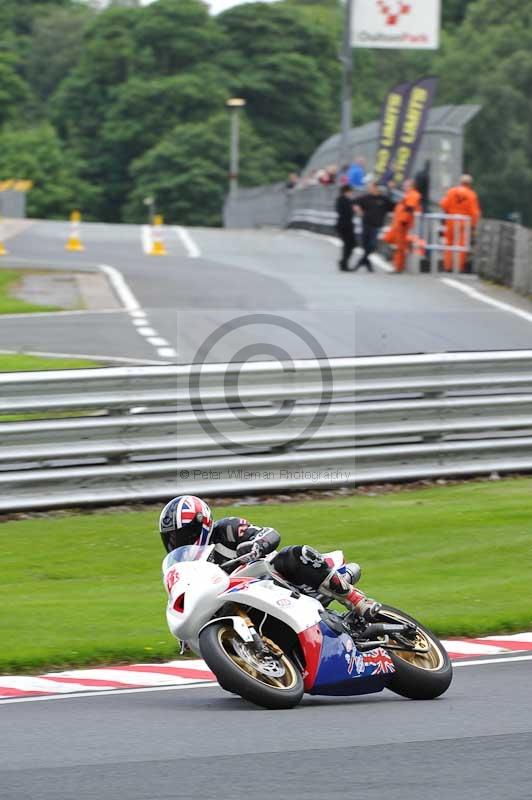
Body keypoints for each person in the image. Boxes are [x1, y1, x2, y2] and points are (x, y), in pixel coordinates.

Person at [159, 495, 381, 619]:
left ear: (202, 523)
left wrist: (256, 546)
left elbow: (270, 533)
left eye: (182, 534)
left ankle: (357, 601)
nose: (178, 543)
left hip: (278, 580)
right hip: (240, 602)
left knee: (295, 554)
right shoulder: (186, 566)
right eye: (171, 539)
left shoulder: (227, 529)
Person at [440, 174, 481, 272]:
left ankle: (448, 266)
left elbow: (443, 205)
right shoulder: (471, 195)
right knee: (461, 245)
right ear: (470, 184)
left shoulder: (452, 191)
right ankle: (458, 267)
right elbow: (474, 213)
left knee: (449, 243)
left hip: (451, 220)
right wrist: (473, 226)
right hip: (464, 222)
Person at [353, 182, 395, 272]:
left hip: (376, 225)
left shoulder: (383, 199)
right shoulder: (365, 198)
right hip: (366, 223)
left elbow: (393, 206)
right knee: (365, 244)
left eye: (370, 187)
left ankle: (362, 261)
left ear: (376, 188)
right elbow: (354, 202)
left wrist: (391, 190)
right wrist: (358, 209)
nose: (369, 189)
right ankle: (366, 262)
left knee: (372, 245)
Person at [384, 178, 422, 273]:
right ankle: (398, 263)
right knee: (390, 239)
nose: (404, 187)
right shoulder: (409, 195)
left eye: (406, 185)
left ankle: (398, 267)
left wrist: (403, 221)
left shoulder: (413, 195)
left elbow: (410, 208)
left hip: (402, 224)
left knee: (400, 246)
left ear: (411, 186)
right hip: (398, 223)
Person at [335, 185, 357, 271]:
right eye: (350, 192)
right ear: (346, 191)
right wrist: (352, 209)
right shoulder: (342, 199)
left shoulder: (346, 200)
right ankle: (344, 263)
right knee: (349, 244)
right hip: (345, 225)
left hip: (346, 225)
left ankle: (343, 262)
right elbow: (346, 212)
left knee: (350, 245)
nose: (351, 193)